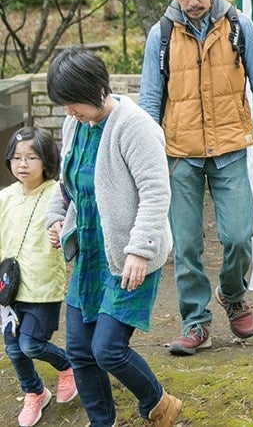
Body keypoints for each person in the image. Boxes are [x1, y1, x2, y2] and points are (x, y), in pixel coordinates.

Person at [138, 0, 253, 356]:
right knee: (186, 246)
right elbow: (150, 99)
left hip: (229, 148)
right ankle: (195, 322)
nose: (192, 0)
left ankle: (232, 293)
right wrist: (143, 158)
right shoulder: (162, 34)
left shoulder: (239, 25)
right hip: (179, 153)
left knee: (240, 236)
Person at [43, 48, 181, 427]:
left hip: (127, 256)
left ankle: (159, 403)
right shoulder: (76, 124)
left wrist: (140, 250)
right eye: (66, 106)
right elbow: (66, 183)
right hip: (89, 250)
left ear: (97, 89)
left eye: (74, 104)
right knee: (78, 350)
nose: (70, 113)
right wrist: (56, 219)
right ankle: (101, 422)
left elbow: (156, 192)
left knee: (107, 349)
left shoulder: (134, 126)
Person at [1, 127, 77, 427]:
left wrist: (61, 232)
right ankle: (34, 392)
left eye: (31, 157)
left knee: (31, 344)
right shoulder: (5, 197)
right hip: (8, 288)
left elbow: (71, 226)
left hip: (43, 287)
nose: (22, 164)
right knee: (12, 347)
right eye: (17, 158)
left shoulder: (57, 194)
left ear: (46, 160)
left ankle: (67, 366)